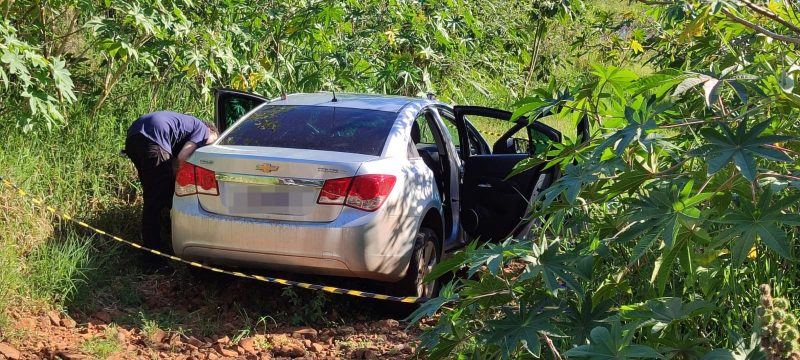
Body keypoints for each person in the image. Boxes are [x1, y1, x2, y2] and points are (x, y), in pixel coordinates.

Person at [124, 111, 218, 257]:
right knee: (155, 199)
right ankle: (152, 255)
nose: (207, 146)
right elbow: (181, 158)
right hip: (154, 137)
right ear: (211, 131)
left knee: (155, 193)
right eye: (213, 142)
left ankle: (163, 238)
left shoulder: (186, 127)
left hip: (134, 135)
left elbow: (173, 160)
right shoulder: (203, 131)